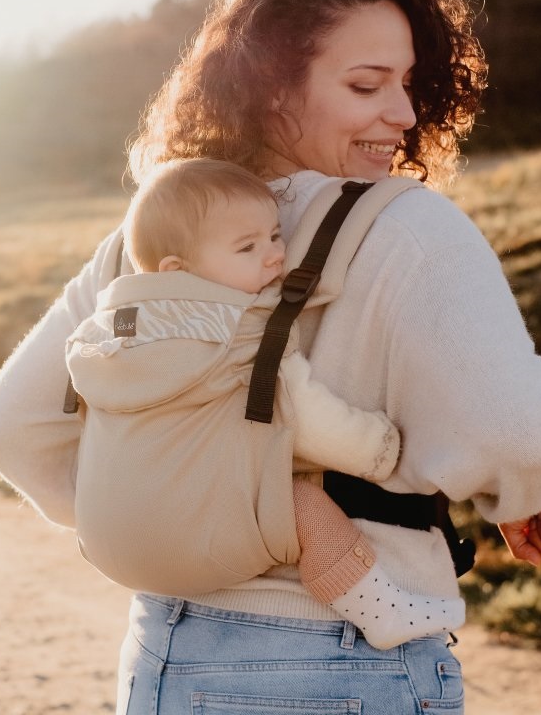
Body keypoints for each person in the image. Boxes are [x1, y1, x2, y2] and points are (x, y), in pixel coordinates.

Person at [0, 0, 541, 714]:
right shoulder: (408, 227)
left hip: (168, 653)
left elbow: (11, 425)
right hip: (343, 660)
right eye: (367, 85)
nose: (403, 113)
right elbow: (513, 435)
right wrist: (536, 488)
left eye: (408, 83)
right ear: (272, 91)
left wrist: (185, 507)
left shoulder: (150, 243)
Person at [66, 155, 464, 649]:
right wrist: (382, 447)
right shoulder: (246, 331)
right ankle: (382, 609)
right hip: (207, 538)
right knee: (304, 503)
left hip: (110, 544)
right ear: (178, 269)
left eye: (275, 235)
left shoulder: (108, 334)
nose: (276, 255)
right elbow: (311, 422)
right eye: (247, 247)